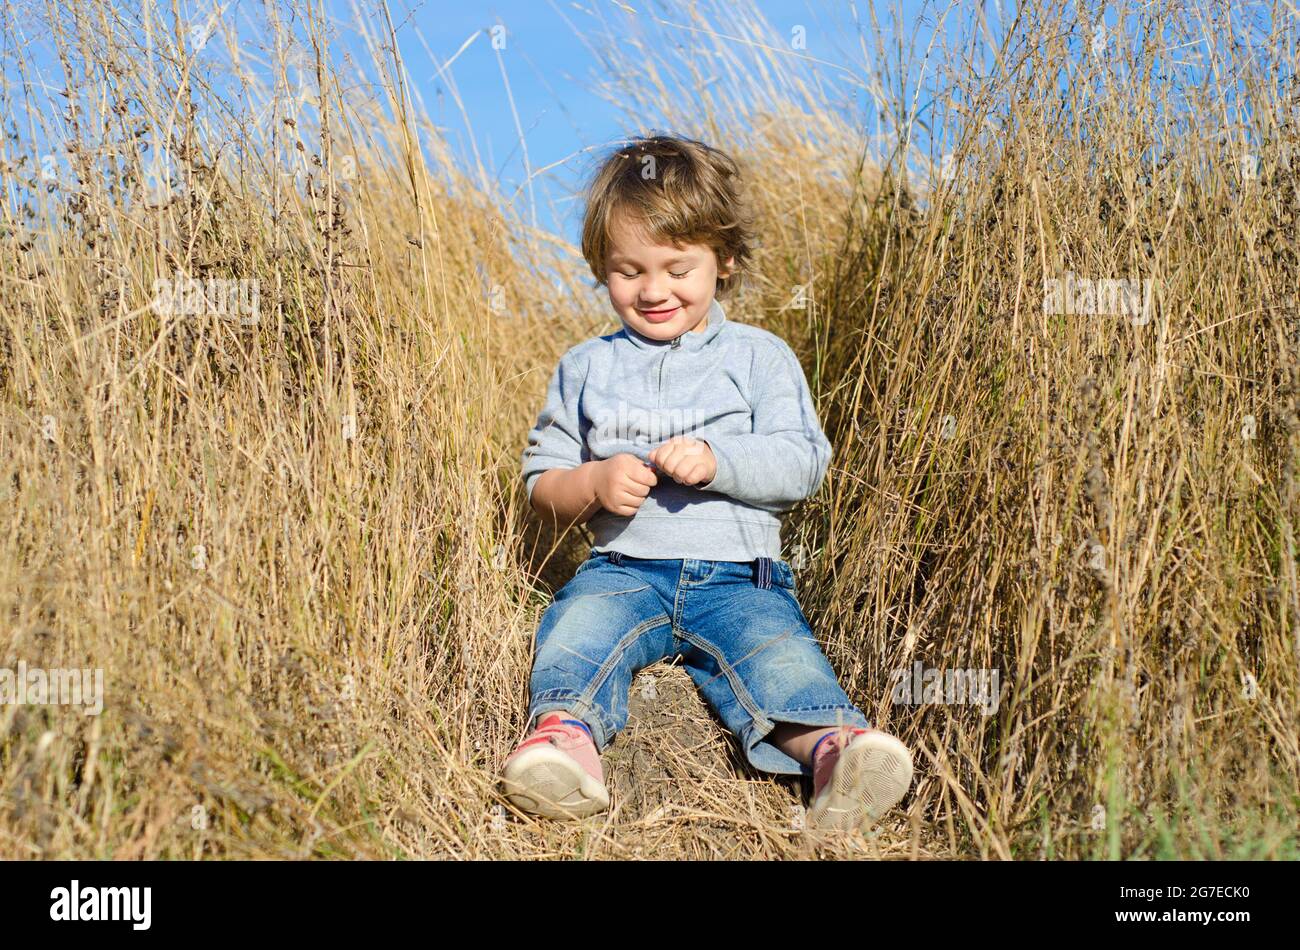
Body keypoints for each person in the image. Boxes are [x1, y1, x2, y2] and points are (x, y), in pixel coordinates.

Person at [500, 134, 912, 832]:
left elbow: (803, 461)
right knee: (577, 633)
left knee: (777, 659)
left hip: (738, 577)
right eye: (628, 271)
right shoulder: (585, 367)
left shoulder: (758, 357)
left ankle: (837, 753)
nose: (653, 290)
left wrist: (720, 460)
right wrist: (593, 482)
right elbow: (542, 481)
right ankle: (563, 743)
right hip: (621, 570)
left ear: (722, 260)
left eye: (676, 268)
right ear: (601, 269)